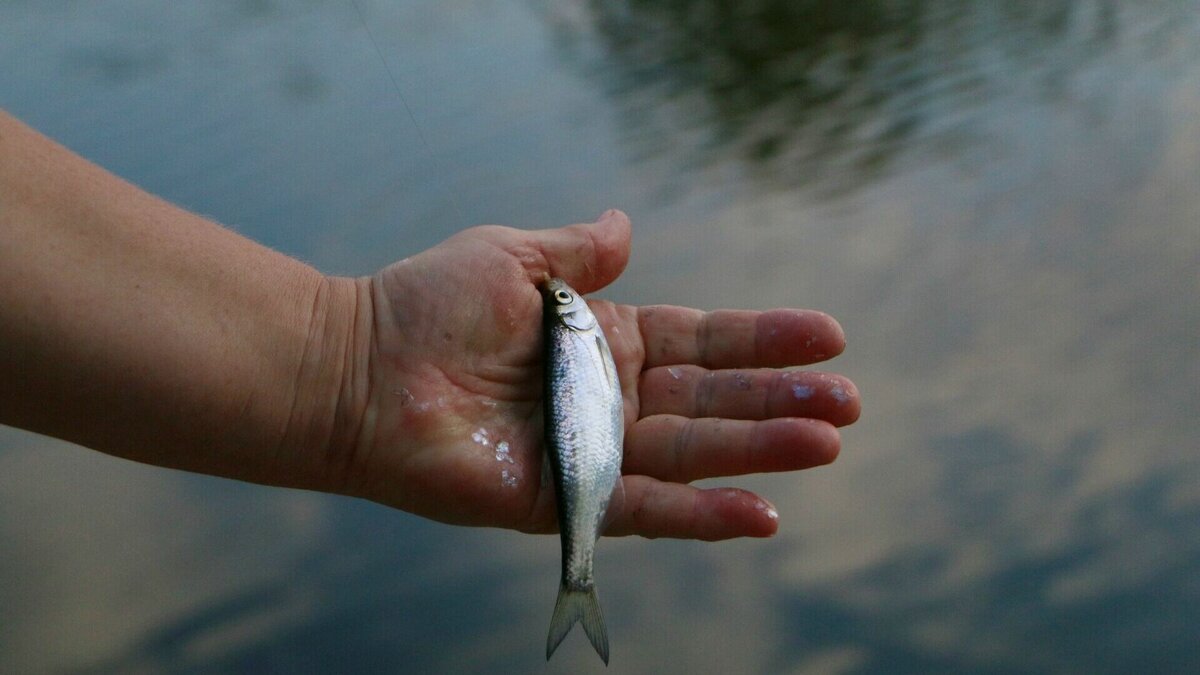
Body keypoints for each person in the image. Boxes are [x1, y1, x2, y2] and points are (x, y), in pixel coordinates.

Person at [0, 109, 859, 540]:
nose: (569, 301)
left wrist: (347, 358)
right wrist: (351, 360)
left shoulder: (572, 338)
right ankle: (580, 577)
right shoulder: (578, 334)